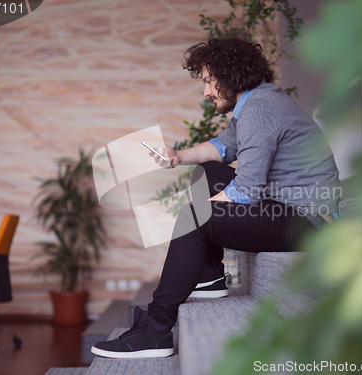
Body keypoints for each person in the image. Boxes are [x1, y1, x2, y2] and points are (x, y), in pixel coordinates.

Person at [91, 37, 340, 359]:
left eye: (209, 81)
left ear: (231, 75)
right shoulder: (257, 102)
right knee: (209, 171)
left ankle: (155, 328)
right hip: (287, 208)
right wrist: (177, 156)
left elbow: (247, 191)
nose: (205, 91)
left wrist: (192, 215)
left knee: (194, 217)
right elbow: (221, 148)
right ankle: (210, 277)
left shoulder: (261, 110)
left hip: (307, 220)